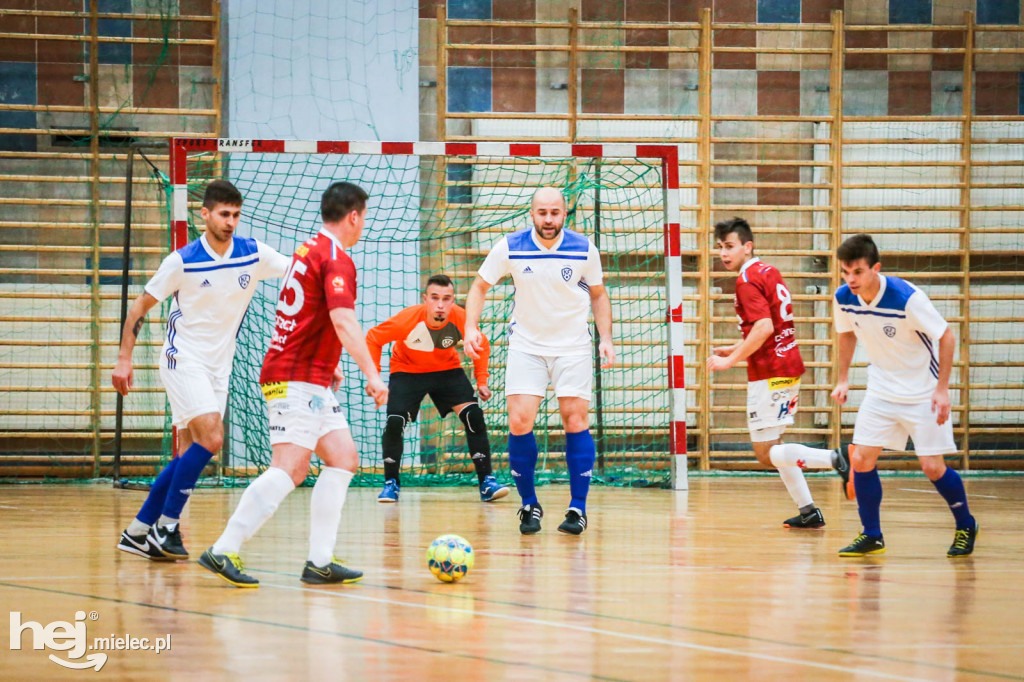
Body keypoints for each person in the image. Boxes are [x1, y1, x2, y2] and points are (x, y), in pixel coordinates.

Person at [197, 181, 388, 587]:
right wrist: (372, 374)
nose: (363, 225)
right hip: (294, 378)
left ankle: (319, 561)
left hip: (309, 373)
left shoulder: (308, 248)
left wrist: (328, 361)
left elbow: (309, 316)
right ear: (353, 216)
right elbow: (342, 320)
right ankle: (223, 548)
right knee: (291, 467)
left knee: (343, 457)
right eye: (364, 217)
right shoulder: (337, 258)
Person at [112, 180, 291, 561]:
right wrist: (124, 359)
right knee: (212, 438)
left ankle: (138, 531)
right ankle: (166, 528)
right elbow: (137, 309)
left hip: (218, 369)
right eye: (223, 214)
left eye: (236, 215)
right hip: (182, 361)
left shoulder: (253, 254)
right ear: (204, 214)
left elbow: (297, 271)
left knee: (187, 453)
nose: (230, 222)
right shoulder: (182, 260)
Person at [463, 186, 614, 536]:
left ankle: (578, 508)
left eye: (555, 213)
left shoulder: (584, 249)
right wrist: (470, 327)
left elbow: (599, 294)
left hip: (572, 347)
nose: (549, 219)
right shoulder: (510, 246)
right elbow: (479, 286)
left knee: (575, 419)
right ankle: (528, 503)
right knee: (519, 421)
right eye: (542, 213)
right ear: (531, 214)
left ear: (565, 213)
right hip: (526, 346)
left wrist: (605, 338)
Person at [831, 234, 978, 557]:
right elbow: (845, 335)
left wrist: (942, 390)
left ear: (875, 269)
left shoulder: (907, 298)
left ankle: (966, 525)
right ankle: (872, 535)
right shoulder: (843, 297)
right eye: (845, 272)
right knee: (860, 459)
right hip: (882, 388)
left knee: (932, 467)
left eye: (857, 272)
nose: (850, 279)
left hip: (923, 392)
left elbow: (947, 336)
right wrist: (842, 379)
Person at [706, 217, 852, 528]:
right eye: (720, 248)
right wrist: (734, 349)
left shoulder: (746, 281)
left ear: (748, 246)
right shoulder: (768, 271)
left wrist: (729, 362)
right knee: (777, 447)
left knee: (765, 453)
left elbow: (763, 327)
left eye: (729, 246)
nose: (724, 254)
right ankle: (808, 510)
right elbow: (770, 327)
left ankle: (836, 459)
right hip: (788, 366)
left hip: (770, 372)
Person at [365, 274, 509, 503]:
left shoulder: (460, 317)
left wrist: (482, 380)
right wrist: (374, 377)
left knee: (474, 415)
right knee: (394, 421)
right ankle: (391, 483)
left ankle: (487, 482)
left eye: (446, 299)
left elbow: (482, 343)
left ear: (453, 301)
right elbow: (373, 338)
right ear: (425, 299)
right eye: (434, 298)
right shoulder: (408, 320)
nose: (440, 305)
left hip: (446, 370)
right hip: (407, 371)